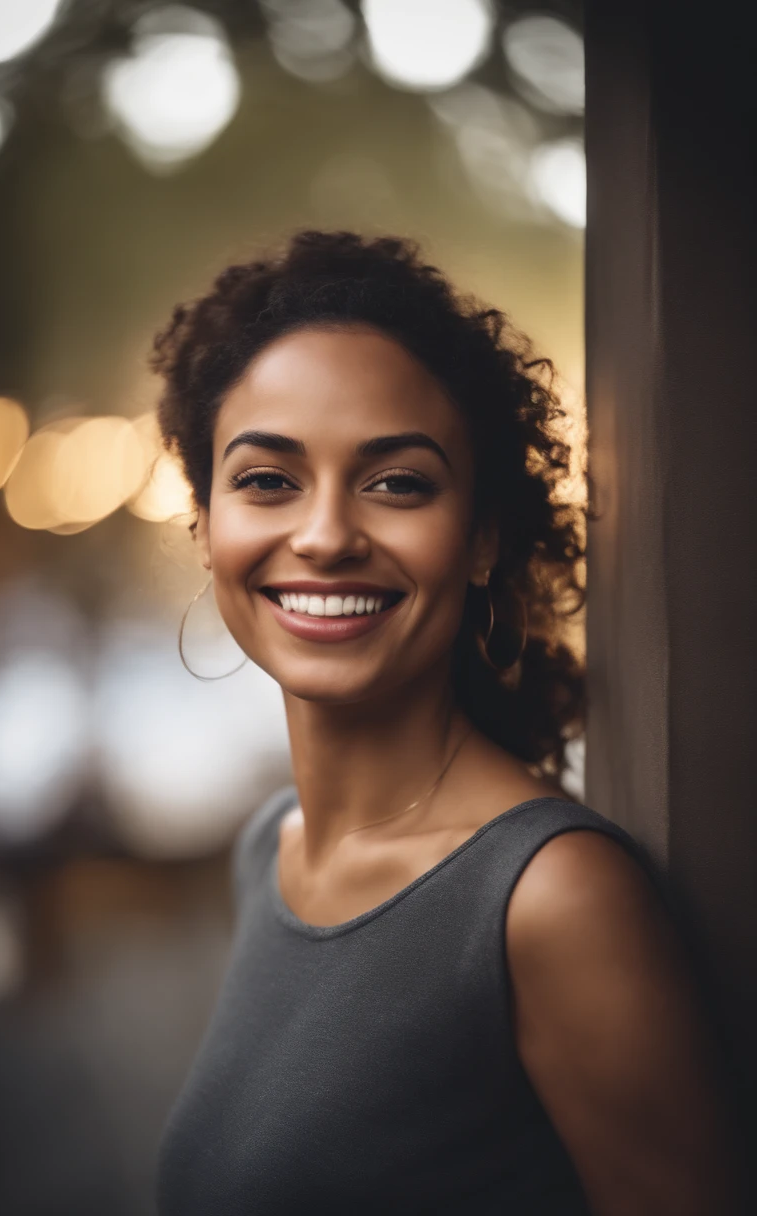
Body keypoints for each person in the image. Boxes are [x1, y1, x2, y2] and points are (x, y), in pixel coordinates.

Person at [152, 231, 743, 1214]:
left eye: (397, 483)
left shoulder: (553, 899)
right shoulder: (271, 847)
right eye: (266, 479)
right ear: (206, 519)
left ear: (479, 540)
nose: (327, 533)